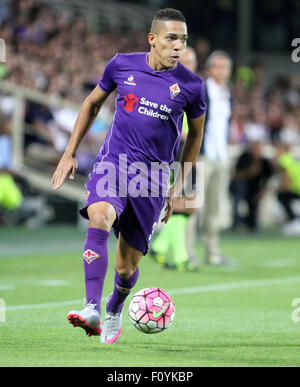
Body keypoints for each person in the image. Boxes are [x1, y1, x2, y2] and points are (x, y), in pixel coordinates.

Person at [51, 8, 206, 344]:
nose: (178, 46)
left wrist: (179, 186)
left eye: (183, 40)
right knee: (100, 216)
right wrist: (69, 152)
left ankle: (114, 305)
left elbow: (194, 137)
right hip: (113, 164)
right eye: (171, 38)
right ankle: (90, 306)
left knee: (125, 267)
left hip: (152, 179)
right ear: (152, 39)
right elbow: (91, 104)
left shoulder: (192, 86)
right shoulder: (122, 64)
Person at [149, 46, 201, 271]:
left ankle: (162, 246)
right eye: (184, 60)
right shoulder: (169, 83)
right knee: (182, 201)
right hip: (176, 146)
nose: (187, 64)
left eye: (191, 60)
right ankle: (179, 255)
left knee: (188, 204)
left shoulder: (194, 84)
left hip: (190, 146)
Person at [187, 50, 233, 266]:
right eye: (218, 66)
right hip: (203, 154)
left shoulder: (226, 93)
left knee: (215, 206)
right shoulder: (202, 90)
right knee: (194, 204)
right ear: (210, 69)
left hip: (220, 156)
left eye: (225, 67)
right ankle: (187, 251)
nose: (222, 71)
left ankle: (212, 250)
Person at [230, 138, 274, 231]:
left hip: (255, 190)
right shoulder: (244, 158)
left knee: (254, 202)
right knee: (239, 194)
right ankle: (236, 222)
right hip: (240, 188)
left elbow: (269, 180)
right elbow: (235, 176)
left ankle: (251, 223)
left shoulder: (265, 162)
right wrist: (250, 172)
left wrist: (263, 192)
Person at [275, 142, 300, 236]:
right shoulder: (292, 158)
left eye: (278, 149)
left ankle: (294, 221)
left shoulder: (283, 160)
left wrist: (280, 189)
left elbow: (286, 179)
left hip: (296, 188)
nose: (276, 152)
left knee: (281, 196)